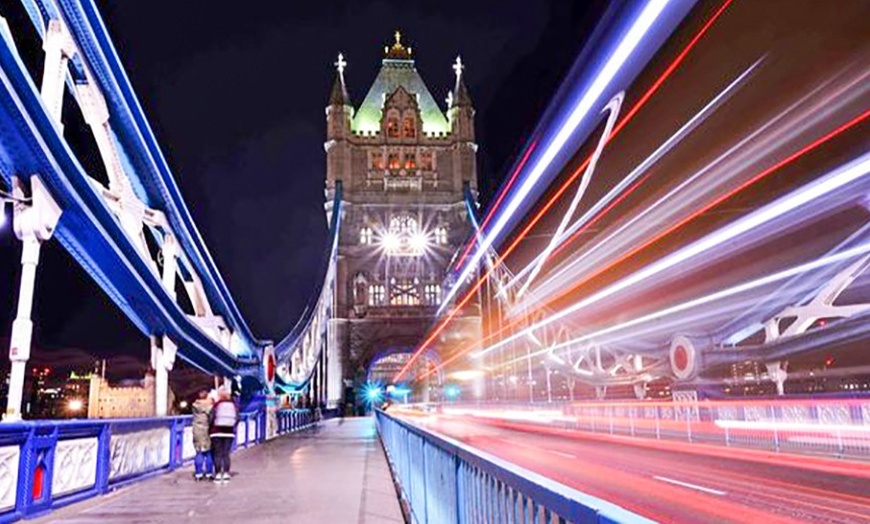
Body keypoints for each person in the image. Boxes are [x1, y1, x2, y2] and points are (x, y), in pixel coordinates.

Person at [209, 387, 238, 483]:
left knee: (217, 453)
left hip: (216, 432)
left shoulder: (217, 405)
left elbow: (211, 417)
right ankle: (225, 473)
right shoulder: (234, 405)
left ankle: (217, 474)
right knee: (226, 454)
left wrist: (210, 428)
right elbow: (237, 418)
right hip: (229, 432)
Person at [191, 390, 214, 481]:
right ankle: (208, 473)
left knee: (199, 452)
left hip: (197, 430)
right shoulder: (209, 407)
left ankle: (198, 474)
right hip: (207, 429)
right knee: (208, 452)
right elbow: (211, 417)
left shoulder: (195, 405)